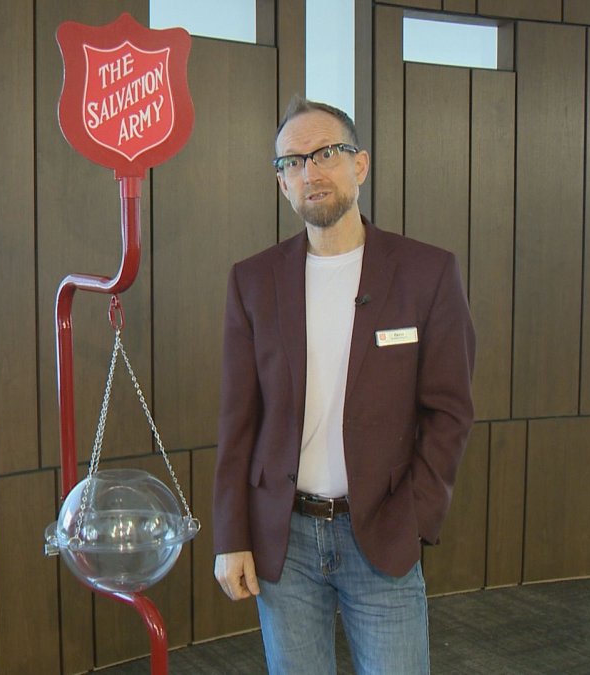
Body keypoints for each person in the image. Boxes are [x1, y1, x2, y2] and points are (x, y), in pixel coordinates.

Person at [212, 96, 476, 675]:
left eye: (326, 153)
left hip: (381, 533)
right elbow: (238, 422)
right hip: (285, 539)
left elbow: (449, 412)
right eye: (293, 162)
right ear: (283, 185)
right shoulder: (252, 282)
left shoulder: (427, 273)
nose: (311, 171)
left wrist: (417, 516)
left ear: (359, 165)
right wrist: (230, 535)